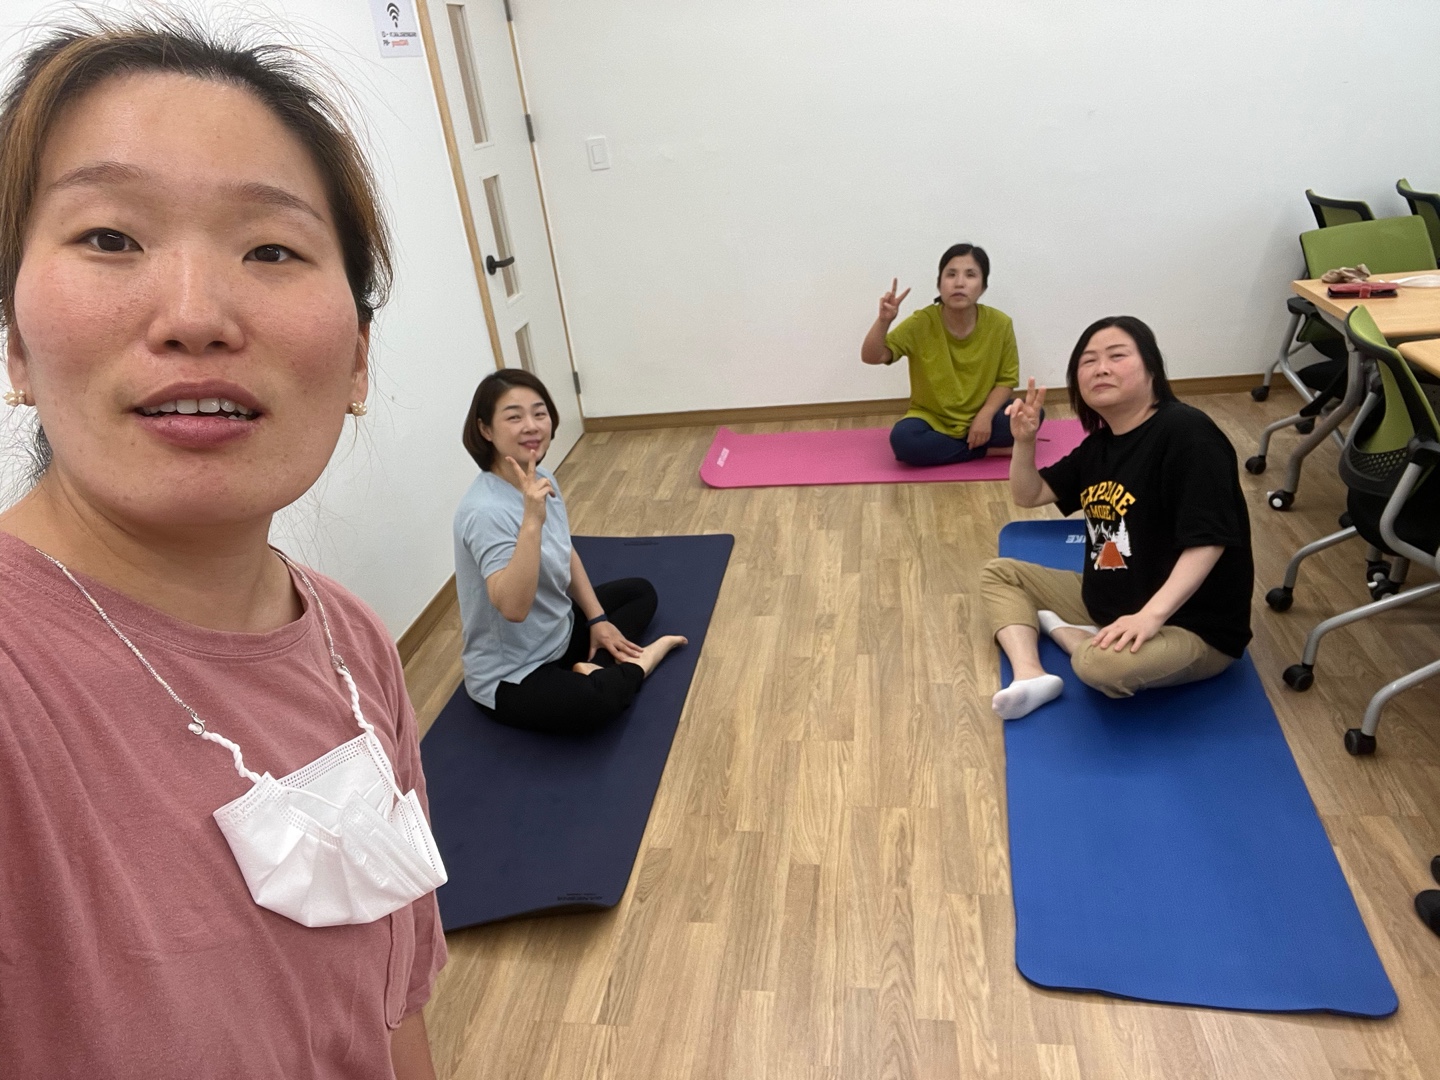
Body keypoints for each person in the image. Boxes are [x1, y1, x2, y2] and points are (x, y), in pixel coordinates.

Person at [0, 14, 445, 1079]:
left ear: (358, 361)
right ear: (15, 345)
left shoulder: (350, 640)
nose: (196, 317)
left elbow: (395, 1012)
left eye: (271, 249)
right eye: (110, 238)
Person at [981, 316, 1253, 720]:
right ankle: (1029, 674)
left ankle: (1066, 633)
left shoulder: (1187, 433)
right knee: (1000, 573)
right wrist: (1024, 441)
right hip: (1111, 600)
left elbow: (1209, 542)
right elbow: (1029, 494)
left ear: (1152, 368)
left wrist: (1149, 617)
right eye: (1088, 361)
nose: (1101, 368)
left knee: (1100, 667)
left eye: (1117, 356)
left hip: (1191, 624)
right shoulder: (1100, 446)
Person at [454, 369, 686, 736]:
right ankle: (643, 662)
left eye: (539, 413)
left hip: (559, 633)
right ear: (486, 429)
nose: (531, 426)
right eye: (514, 417)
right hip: (514, 671)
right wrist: (531, 521)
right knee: (596, 703)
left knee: (640, 592)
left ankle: (596, 666)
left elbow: (565, 550)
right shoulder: (484, 511)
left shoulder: (542, 477)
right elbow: (513, 609)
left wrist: (597, 620)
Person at [861, 242, 1026, 465]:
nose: (959, 283)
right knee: (904, 440)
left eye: (970, 275)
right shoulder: (921, 322)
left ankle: (954, 447)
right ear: (939, 285)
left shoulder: (1000, 323)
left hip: (982, 415)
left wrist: (985, 415)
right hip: (932, 419)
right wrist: (884, 321)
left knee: (1029, 415)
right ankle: (985, 451)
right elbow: (872, 357)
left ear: (983, 286)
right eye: (951, 274)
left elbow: (1007, 380)